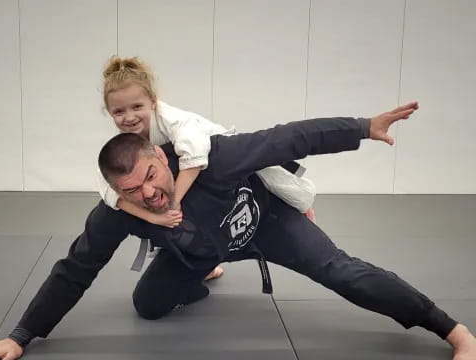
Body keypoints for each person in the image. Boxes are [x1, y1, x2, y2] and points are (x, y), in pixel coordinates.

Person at [0, 103, 475, 360]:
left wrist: (363, 127)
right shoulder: (119, 212)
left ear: (161, 158)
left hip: (269, 226)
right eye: (131, 191)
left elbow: (290, 136)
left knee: (341, 271)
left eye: (149, 177)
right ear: (116, 193)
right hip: (200, 249)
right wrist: (23, 333)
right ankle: (209, 267)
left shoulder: (215, 157)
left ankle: (453, 331)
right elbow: (75, 269)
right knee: (147, 305)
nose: (148, 194)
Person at [98, 56, 317, 278]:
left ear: (153, 101)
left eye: (137, 106)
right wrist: (155, 218)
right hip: (186, 172)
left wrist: (173, 203)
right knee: (174, 215)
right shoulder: (123, 146)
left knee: (289, 188)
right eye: (119, 112)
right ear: (109, 112)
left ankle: (299, 208)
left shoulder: (171, 119)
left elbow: (194, 159)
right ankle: (205, 264)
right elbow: (108, 190)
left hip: (222, 156)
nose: (129, 117)